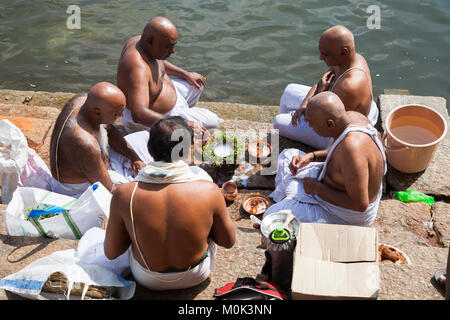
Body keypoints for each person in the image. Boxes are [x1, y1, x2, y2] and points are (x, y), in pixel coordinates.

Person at [104, 116, 235, 290]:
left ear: (149, 149)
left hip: (146, 278)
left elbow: (111, 253)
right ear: (185, 151)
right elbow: (227, 241)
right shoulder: (209, 190)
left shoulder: (124, 193)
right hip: (196, 274)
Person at [265, 92, 385, 227]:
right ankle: (292, 200)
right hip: (331, 183)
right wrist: (312, 156)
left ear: (330, 124)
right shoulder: (352, 117)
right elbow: (337, 151)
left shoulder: (352, 151)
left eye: (312, 123)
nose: (310, 127)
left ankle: (292, 201)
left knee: (270, 217)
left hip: (346, 214)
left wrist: (317, 189)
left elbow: (360, 205)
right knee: (287, 155)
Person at [274, 25, 379, 150]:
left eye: (325, 54)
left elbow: (325, 120)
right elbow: (321, 83)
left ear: (344, 52)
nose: (320, 58)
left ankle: (291, 125)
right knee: (289, 91)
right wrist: (303, 106)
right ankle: (294, 123)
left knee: (278, 122)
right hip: (339, 107)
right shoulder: (349, 59)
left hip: (338, 133)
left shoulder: (349, 86)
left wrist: (308, 106)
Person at [117, 16, 222, 135]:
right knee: (212, 121)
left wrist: (185, 74)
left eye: (173, 46)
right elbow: (139, 114)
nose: (173, 51)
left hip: (167, 95)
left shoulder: (140, 42)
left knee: (197, 83)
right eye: (168, 47)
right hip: (152, 118)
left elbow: (159, 62)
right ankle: (178, 119)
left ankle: (183, 113)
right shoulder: (137, 69)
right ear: (150, 41)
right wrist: (180, 124)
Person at [49, 82, 146, 197]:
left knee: (143, 138)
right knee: (142, 195)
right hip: (81, 189)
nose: (122, 116)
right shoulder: (85, 143)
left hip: (99, 166)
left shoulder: (84, 101)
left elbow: (110, 130)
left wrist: (133, 157)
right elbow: (107, 189)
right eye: (117, 114)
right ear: (97, 113)